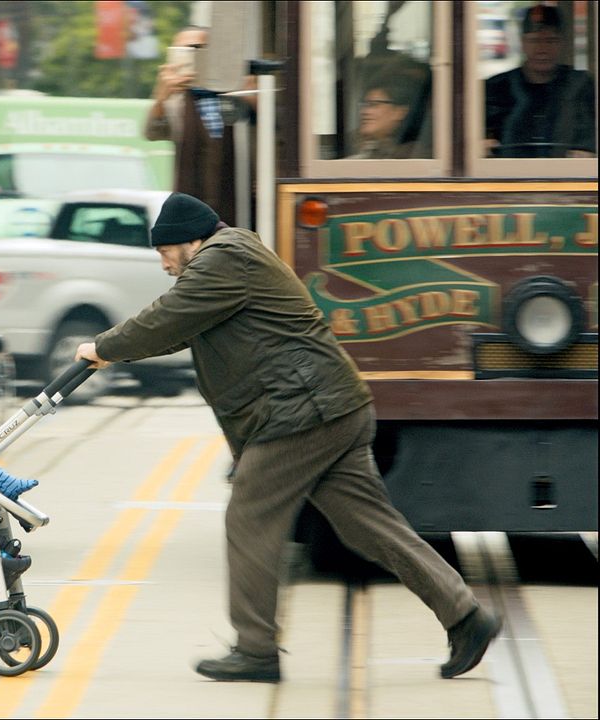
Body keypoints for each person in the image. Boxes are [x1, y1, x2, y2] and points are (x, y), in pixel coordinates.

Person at [74, 192, 500, 683]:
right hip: (332, 407)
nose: (163, 261)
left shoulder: (224, 257)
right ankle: (466, 617)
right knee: (370, 526)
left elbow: (168, 317)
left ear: (190, 239)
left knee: (250, 516)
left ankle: (255, 650)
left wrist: (103, 345)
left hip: (303, 413)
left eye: (165, 249)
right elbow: (179, 330)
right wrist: (114, 355)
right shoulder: (229, 260)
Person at [145, 27, 254, 225]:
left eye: (199, 49)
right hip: (192, 209)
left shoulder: (231, 91)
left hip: (237, 205)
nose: (192, 56)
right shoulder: (176, 98)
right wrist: (160, 98)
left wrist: (248, 94)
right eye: (184, 51)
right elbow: (153, 132)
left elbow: (272, 127)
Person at [484, 4, 596, 158]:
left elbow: (590, 135)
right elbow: (480, 139)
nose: (542, 49)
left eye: (550, 41)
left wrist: (586, 152)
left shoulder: (579, 85)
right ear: (523, 43)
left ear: (561, 43)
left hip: (567, 177)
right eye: (534, 40)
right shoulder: (497, 88)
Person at [349, 72, 426, 159]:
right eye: (365, 105)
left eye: (374, 104)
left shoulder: (415, 155)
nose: (364, 111)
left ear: (399, 112)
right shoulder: (359, 148)